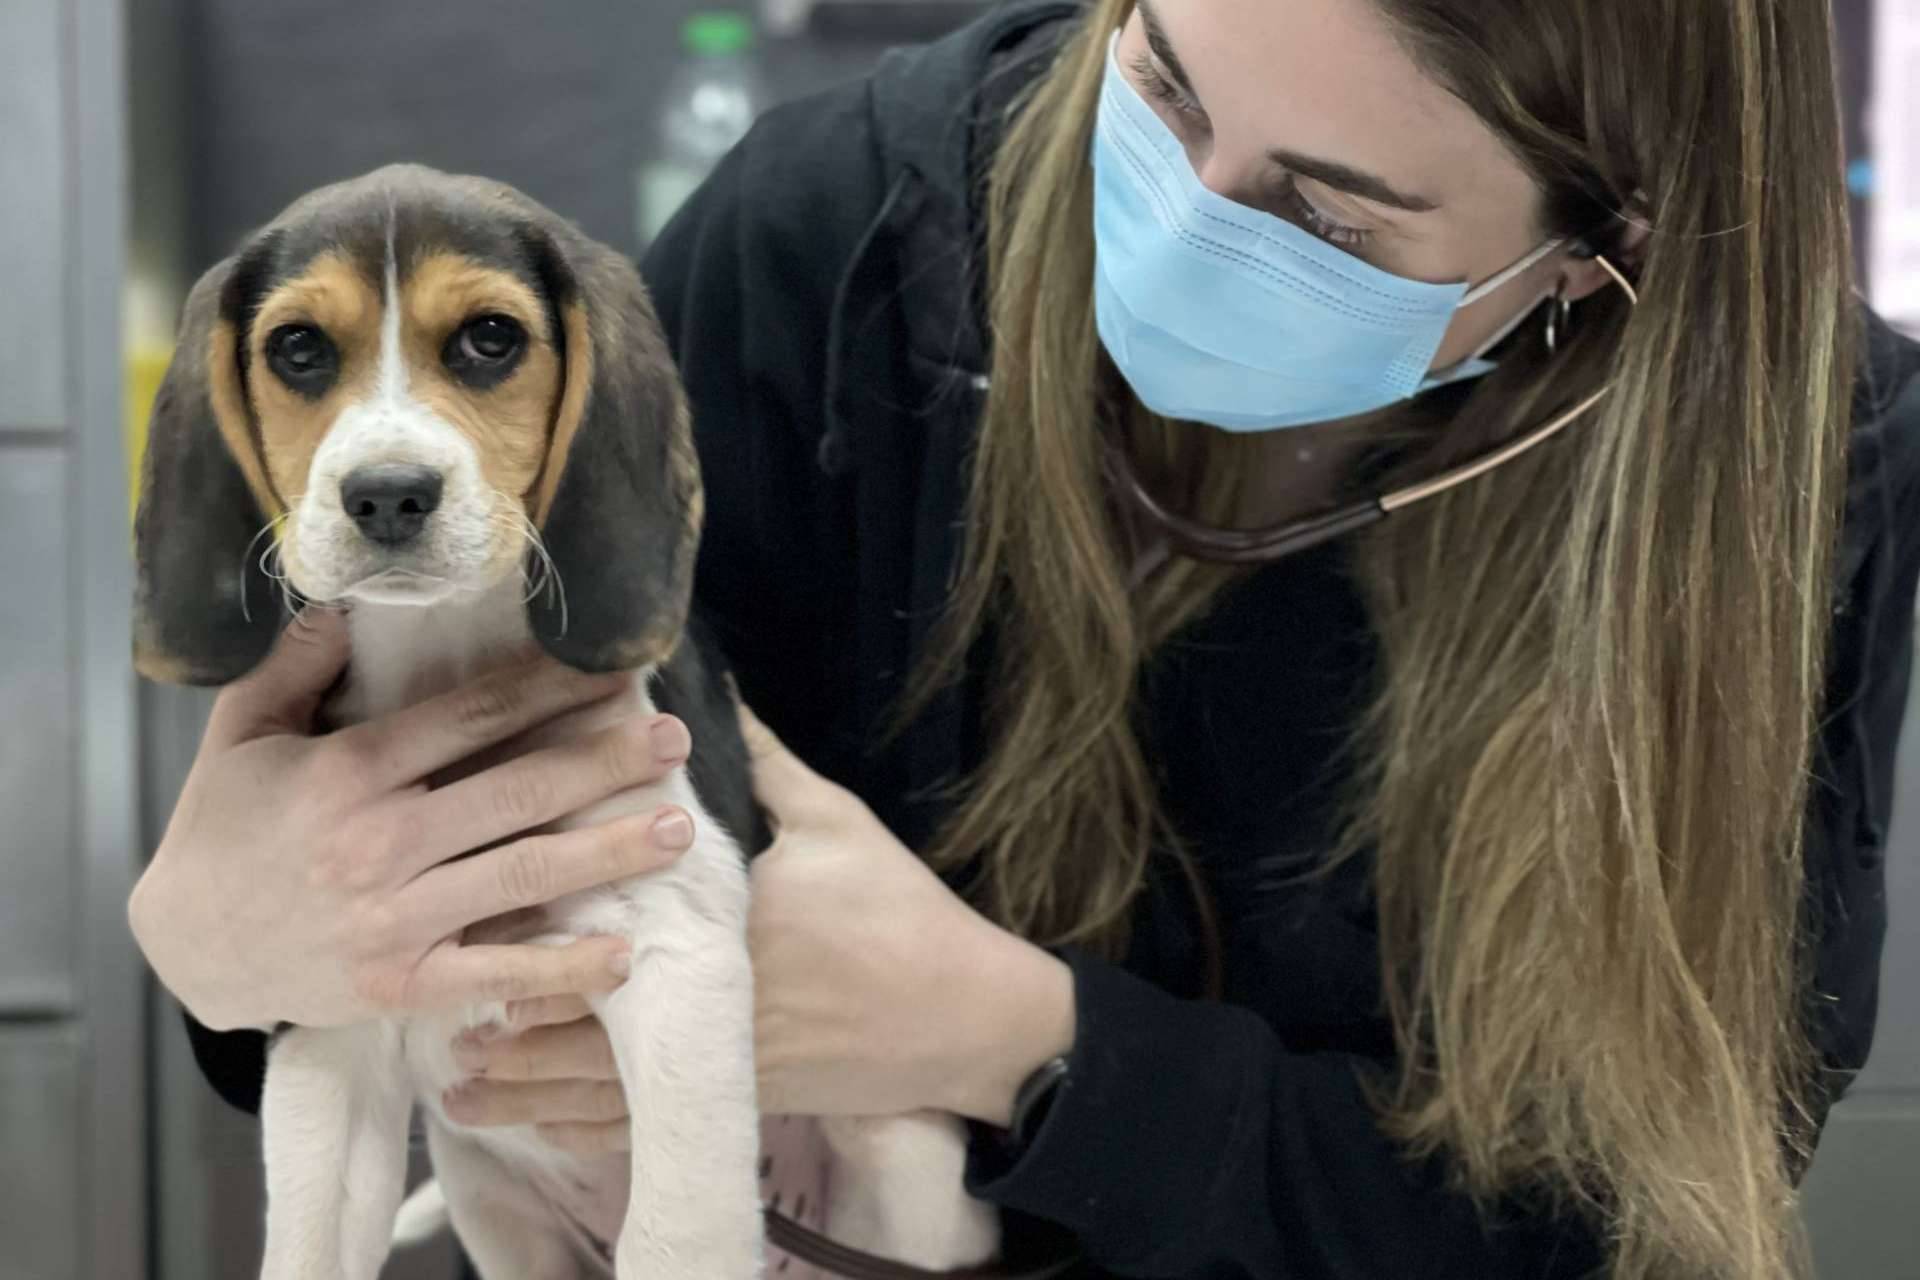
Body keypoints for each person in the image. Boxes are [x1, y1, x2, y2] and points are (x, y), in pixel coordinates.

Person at [130, 0, 1920, 1277]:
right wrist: (240, 947)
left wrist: (1020, 1041)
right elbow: (470, 794)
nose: (1188, 213)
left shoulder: (1801, 475)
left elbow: (1621, 1227)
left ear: (1599, 261)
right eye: (1157, 74)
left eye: (1325, 216)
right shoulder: (830, 232)